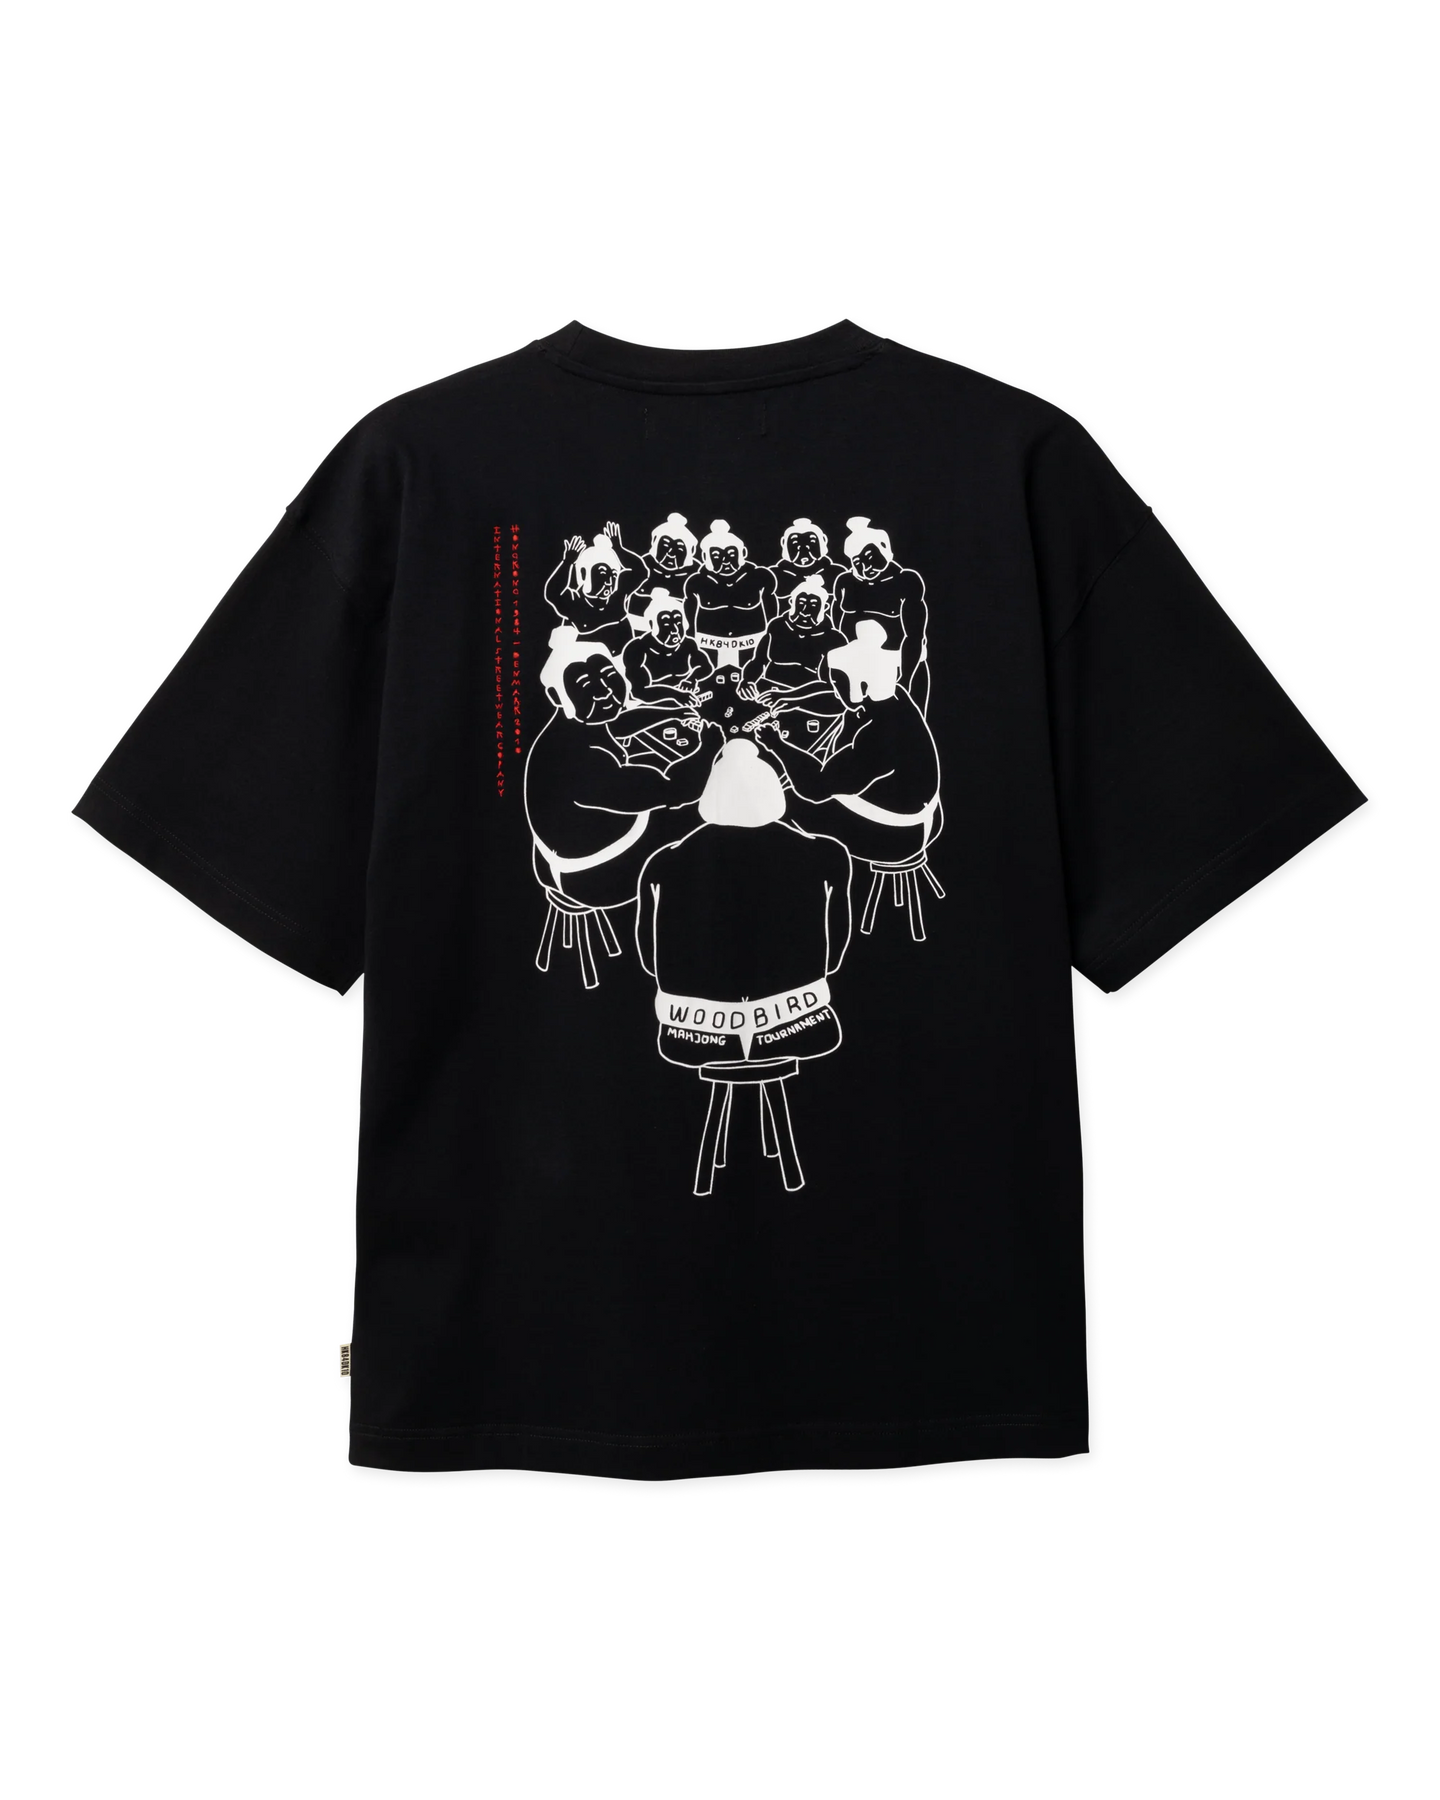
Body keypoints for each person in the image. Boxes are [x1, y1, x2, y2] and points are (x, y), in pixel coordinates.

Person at [636, 739, 852, 1069]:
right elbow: (834, 955)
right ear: (773, 793)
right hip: (801, 1026)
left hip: (689, 1035)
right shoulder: (827, 853)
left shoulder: (662, 861)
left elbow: (648, 960)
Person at [524, 627, 723, 913]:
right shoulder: (583, 760)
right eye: (586, 685)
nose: (605, 690)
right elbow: (678, 789)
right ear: (558, 696)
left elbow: (616, 723)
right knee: (706, 811)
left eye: (608, 676)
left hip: (560, 857)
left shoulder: (567, 728)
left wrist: (672, 711)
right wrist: (710, 744)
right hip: (595, 878)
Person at [755, 619, 941, 867]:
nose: (834, 689)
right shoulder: (894, 696)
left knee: (776, 803)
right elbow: (838, 701)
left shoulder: (878, 735)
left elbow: (815, 789)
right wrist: (794, 700)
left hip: (895, 836)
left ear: (859, 685)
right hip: (916, 816)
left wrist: (776, 744)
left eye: (836, 682)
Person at [832, 516, 930, 714]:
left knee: (907, 723)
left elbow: (914, 636)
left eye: (869, 557)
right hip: (861, 670)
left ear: (884, 549)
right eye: (857, 561)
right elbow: (838, 629)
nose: (865, 567)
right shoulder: (845, 582)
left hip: (903, 666)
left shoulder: (907, 581)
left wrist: (905, 680)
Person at [738, 576, 847, 737]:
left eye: (813, 605)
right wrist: (747, 680)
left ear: (825, 607)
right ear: (791, 602)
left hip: (806, 701)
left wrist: (789, 697)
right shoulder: (777, 626)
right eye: (801, 603)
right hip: (768, 694)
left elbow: (829, 684)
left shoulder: (834, 639)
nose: (805, 611)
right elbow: (758, 661)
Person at [684, 519, 778, 669]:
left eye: (731, 553)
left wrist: (772, 640)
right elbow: (689, 621)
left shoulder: (760, 577)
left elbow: (772, 616)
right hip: (708, 645)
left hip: (753, 645)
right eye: (716, 555)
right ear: (705, 557)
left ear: (743, 553)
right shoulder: (696, 582)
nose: (725, 561)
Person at [544, 522, 648, 653]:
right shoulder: (574, 602)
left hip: (623, 659)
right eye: (602, 574)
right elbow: (553, 592)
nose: (609, 582)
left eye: (614, 575)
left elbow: (640, 572)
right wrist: (567, 562)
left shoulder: (618, 595)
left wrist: (618, 549)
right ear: (583, 574)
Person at [621, 589, 714, 708]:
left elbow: (706, 666)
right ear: (652, 625)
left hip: (685, 703)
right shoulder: (637, 648)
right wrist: (675, 695)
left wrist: (692, 679)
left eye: (678, 622)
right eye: (666, 624)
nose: (675, 630)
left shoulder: (688, 644)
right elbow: (639, 691)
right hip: (649, 707)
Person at [625, 513, 702, 629]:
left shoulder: (695, 573)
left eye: (679, 548)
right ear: (655, 543)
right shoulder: (643, 565)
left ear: (690, 551)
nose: (671, 553)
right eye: (666, 545)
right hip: (637, 624)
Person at [768, 517, 847, 597]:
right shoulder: (774, 575)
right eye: (795, 542)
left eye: (811, 541)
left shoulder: (837, 573)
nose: (803, 547)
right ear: (783, 543)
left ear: (823, 540)